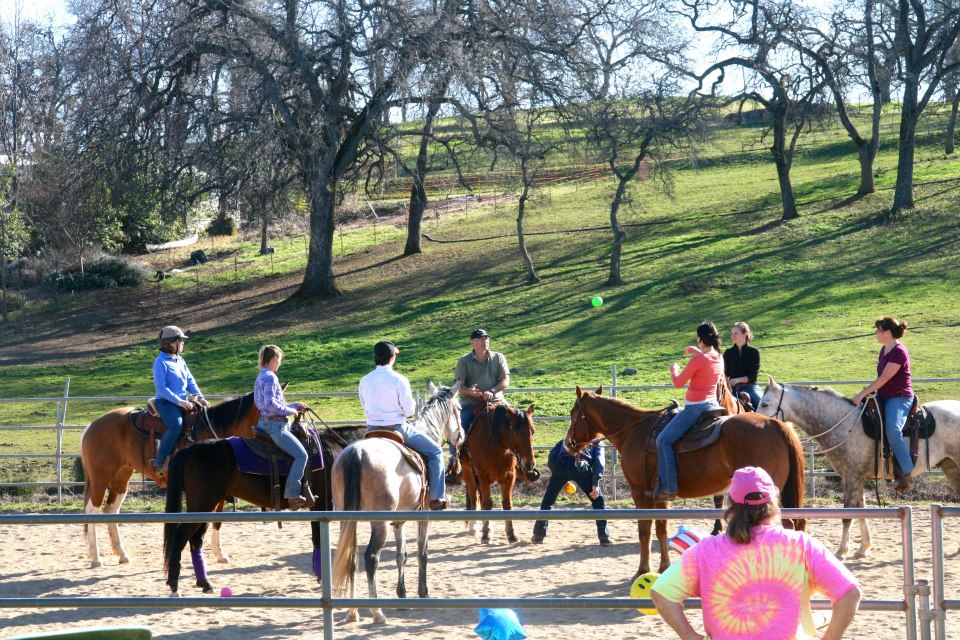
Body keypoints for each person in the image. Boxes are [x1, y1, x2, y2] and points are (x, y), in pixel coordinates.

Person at [651, 466, 861, 640]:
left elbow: (660, 593)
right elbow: (850, 594)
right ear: (773, 503)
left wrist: (689, 636)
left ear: (731, 505)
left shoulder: (705, 550)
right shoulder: (801, 545)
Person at [359, 340, 448, 510]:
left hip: (371, 430)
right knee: (435, 452)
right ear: (392, 358)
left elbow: (365, 405)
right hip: (397, 428)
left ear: (375, 358)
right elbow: (409, 412)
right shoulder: (399, 379)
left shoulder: (365, 380)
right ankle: (437, 497)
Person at [650, 321, 725, 502]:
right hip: (713, 406)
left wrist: (673, 370)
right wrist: (694, 350)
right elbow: (706, 358)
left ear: (700, 338)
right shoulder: (719, 357)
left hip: (695, 408)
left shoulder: (698, 360)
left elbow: (678, 383)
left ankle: (669, 486)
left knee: (663, 441)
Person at [852, 316, 915, 493]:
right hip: (883, 396)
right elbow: (882, 380)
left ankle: (907, 469)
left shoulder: (899, 352)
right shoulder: (884, 350)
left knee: (893, 429)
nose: (876, 333)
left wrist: (862, 393)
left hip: (899, 398)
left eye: (878, 330)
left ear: (887, 333)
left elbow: (885, 377)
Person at [254, 344, 313, 510]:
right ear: (273, 359)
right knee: (302, 456)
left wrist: (295, 405)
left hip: (264, 422)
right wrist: (292, 411)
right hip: (275, 426)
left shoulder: (261, 376)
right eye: (279, 360)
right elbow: (271, 404)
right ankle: (293, 495)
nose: (279, 364)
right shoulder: (271, 377)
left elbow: (269, 403)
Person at [448, 328, 511, 480]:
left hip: (496, 401)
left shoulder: (498, 357)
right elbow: (459, 386)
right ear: (473, 342)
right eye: (481, 339)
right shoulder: (464, 361)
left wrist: (492, 390)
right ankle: (454, 463)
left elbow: (505, 381)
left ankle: (525, 462)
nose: (485, 342)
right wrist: (470, 392)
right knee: (458, 429)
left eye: (486, 339)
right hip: (471, 403)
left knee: (519, 421)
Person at [151, 325, 210, 476]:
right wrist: (179, 401)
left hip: (182, 401)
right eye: (181, 341)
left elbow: (190, 381)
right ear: (171, 343)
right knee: (176, 425)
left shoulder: (180, 360)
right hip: (165, 402)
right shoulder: (160, 362)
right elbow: (161, 388)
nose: (183, 344)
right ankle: (160, 460)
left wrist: (201, 397)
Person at [532, 439, 611, 546]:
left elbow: (551, 458)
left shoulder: (567, 438)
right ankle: (603, 537)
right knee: (598, 500)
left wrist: (558, 474)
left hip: (561, 464)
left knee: (548, 501)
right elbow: (599, 461)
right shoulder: (596, 441)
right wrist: (595, 483)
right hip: (580, 466)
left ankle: (538, 535)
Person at [723, 321, 762, 411]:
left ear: (745, 334)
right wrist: (727, 383)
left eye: (736, 333)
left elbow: (753, 376)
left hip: (750, 387)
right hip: (732, 388)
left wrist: (737, 380)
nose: (733, 336)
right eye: (732, 333)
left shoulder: (754, 352)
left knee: (762, 405)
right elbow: (724, 372)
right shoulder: (728, 353)